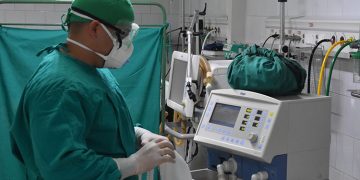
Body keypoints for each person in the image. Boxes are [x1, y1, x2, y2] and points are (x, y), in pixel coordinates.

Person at [9, 0, 175, 179]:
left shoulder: (94, 67)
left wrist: (137, 135)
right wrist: (134, 163)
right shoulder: (59, 88)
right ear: (95, 29)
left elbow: (99, 128)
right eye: (122, 33)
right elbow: (62, 168)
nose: (127, 43)